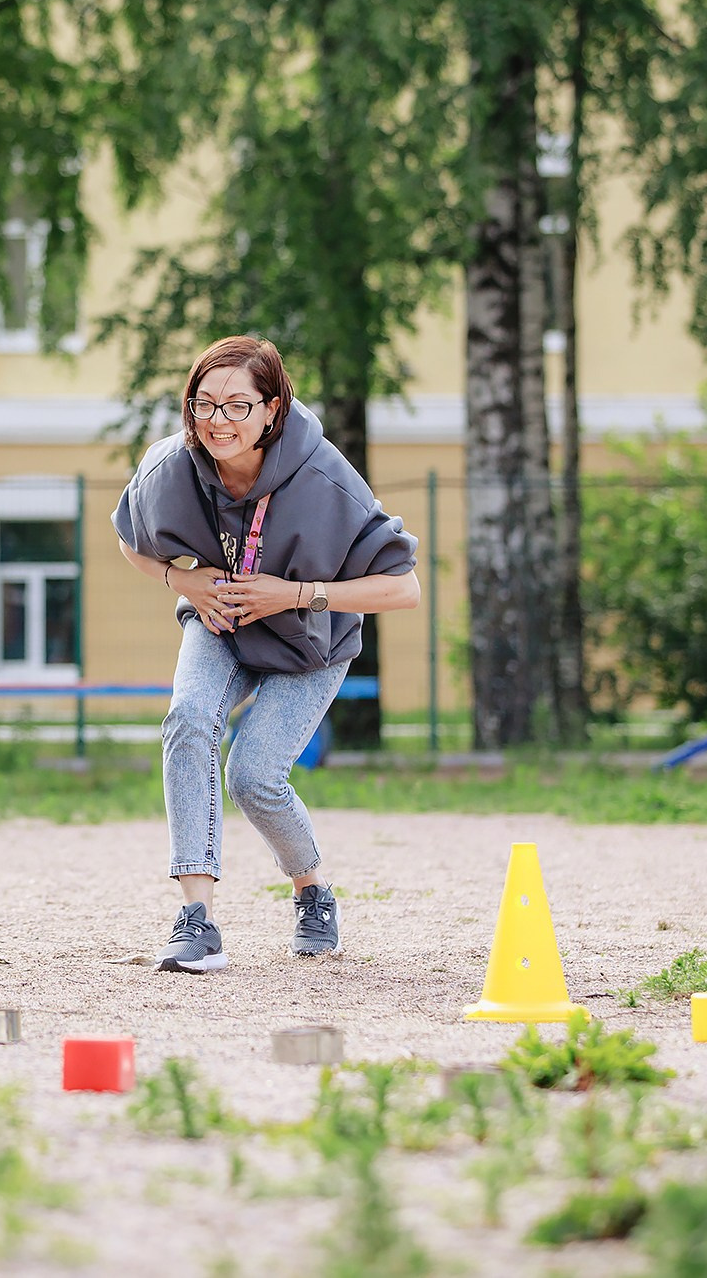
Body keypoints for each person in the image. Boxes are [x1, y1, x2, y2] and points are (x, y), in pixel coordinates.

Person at [113, 335, 420, 972]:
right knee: (188, 720)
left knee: (253, 778)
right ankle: (196, 919)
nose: (216, 421)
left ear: (272, 409)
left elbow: (403, 588)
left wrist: (295, 593)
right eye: (203, 404)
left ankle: (312, 891)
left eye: (236, 406)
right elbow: (130, 539)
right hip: (221, 622)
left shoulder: (325, 478)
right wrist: (184, 580)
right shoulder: (171, 465)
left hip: (310, 643)